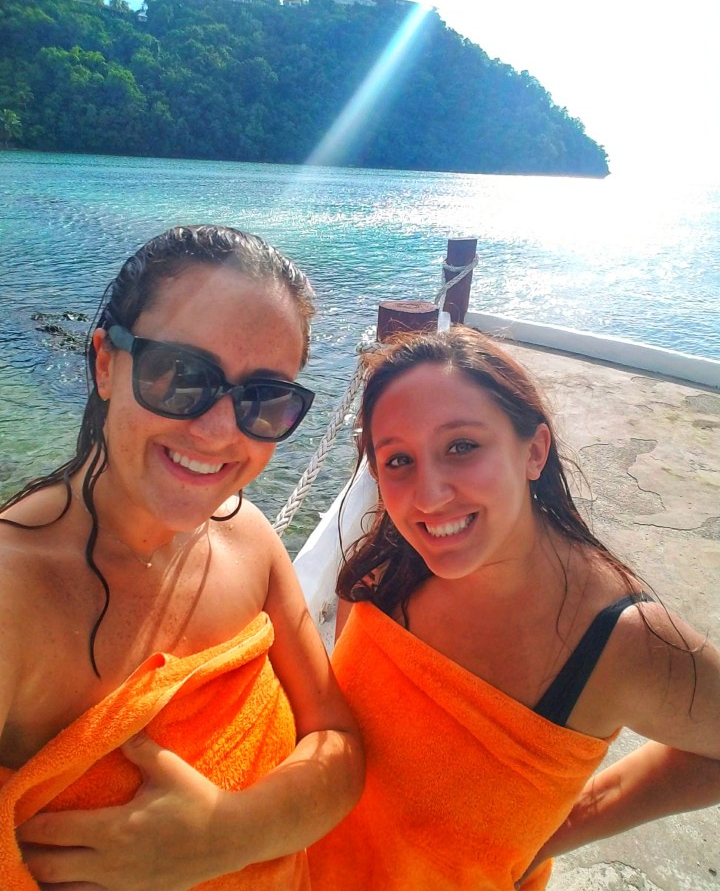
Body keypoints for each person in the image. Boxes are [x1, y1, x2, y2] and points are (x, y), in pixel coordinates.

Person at [0, 224, 364, 890]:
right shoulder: (12, 600)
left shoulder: (248, 539)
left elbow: (339, 743)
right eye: (180, 375)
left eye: (265, 398)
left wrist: (228, 833)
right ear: (107, 363)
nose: (220, 431)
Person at [307, 324, 720, 891]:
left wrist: (553, 834)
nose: (428, 496)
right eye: (398, 460)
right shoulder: (382, 567)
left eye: (462, 447)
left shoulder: (616, 639)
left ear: (534, 451)